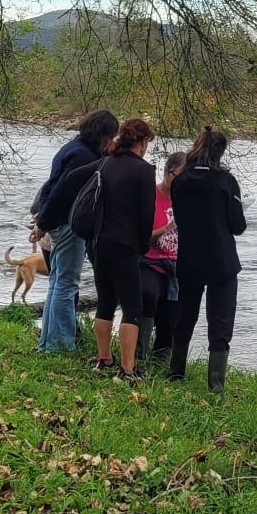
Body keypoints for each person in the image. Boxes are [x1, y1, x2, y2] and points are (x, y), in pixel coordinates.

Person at [27, 109, 118, 354]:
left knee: (57, 282)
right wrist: (43, 222)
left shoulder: (71, 148)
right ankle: (62, 345)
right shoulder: (82, 156)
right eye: (111, 136)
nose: (112, 142)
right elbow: (61, 192)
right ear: (103, 134)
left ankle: (47, 342)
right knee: (67, 285)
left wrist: (42, 221)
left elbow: (49, 187)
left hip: (55, 222)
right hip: (68, 224)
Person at [168, 126, 246, 392]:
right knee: (221, 323)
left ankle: (175, 372)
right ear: (221, 151)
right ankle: (216, 386)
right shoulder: (226, 182)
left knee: (185, 316)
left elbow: (178, 218)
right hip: (221, 261)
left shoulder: (180, 181)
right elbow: (238, 225)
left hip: (189, 258)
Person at [90, 117, 159, 378]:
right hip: (125, 244)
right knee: (133, 307)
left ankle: (103, 357)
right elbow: (146, 214)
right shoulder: (144, 170)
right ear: (141, 142)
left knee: (105, 302)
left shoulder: (107, 163)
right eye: (147, 142)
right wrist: (142, 246)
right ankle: (127, 368)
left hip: (100, 243)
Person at [140, 150, 186, 367]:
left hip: (177, 265)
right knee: (149, 296)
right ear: (168, 172)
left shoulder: (187, 199)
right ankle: (139, 353)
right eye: (179, 175)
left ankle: (161, 360)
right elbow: (140, 236)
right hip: (151, 260)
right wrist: (164, 229)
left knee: (173, 311)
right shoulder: (150, 195)